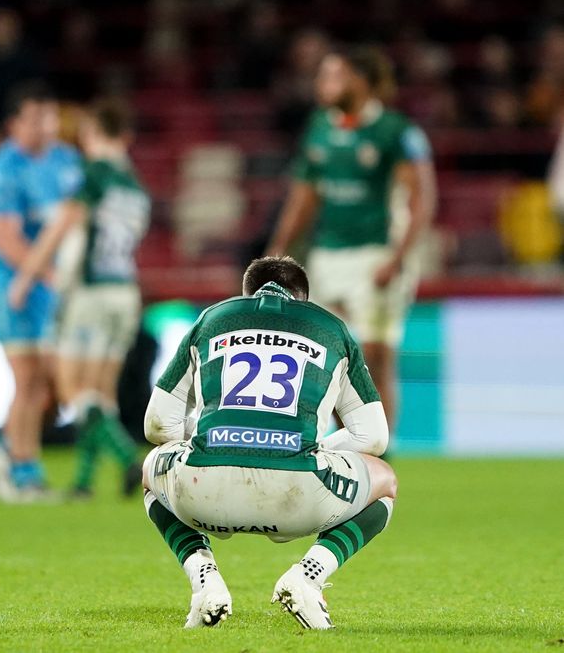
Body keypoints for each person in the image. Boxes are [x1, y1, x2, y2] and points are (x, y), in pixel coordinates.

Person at [142, 256, 396, 630]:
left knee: (150, 470)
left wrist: (212, 436)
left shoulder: (212, 319)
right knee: (386, 480)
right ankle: (309, 576)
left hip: (203, 493)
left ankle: (204, 580)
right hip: (300, 496)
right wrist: (311, 446)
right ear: (304, 299)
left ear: (247, 295)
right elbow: (373, 437)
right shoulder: (331, 329)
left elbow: (157, 426)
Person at [267, 47, 437, 429]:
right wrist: (277, 251)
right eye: (321, 76)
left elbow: (422, 196)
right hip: (327, 256)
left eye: (334, 75)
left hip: (378, 253)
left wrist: (399, 258)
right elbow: (304, 196)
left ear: (360, 80)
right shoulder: (320, 128)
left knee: (375, 357)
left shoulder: (396, 131)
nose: (322, 85)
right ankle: (341, 453)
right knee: (325, 357)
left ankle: (378, 456)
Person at [9, 99, 149, 498]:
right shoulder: (135, 185)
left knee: (72, 389)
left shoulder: (92, 176)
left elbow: (61, 228)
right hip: (125, 290)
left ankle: (127, 459)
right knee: (101, 393)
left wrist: (26, 276)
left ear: (90, 135)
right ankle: (85, 482)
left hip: (91, 291)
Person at [0, 81, 83, 502]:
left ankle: (5, 447)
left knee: (49, 381)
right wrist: (45, 276)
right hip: (11, 284)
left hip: (46, 281)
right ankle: (25, 471)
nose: (44, 127)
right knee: (28, 378)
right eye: (34, 119)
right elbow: (3, 236)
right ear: (14, 124)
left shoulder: (66, 161)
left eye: (49, 117)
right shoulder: (2, 170)